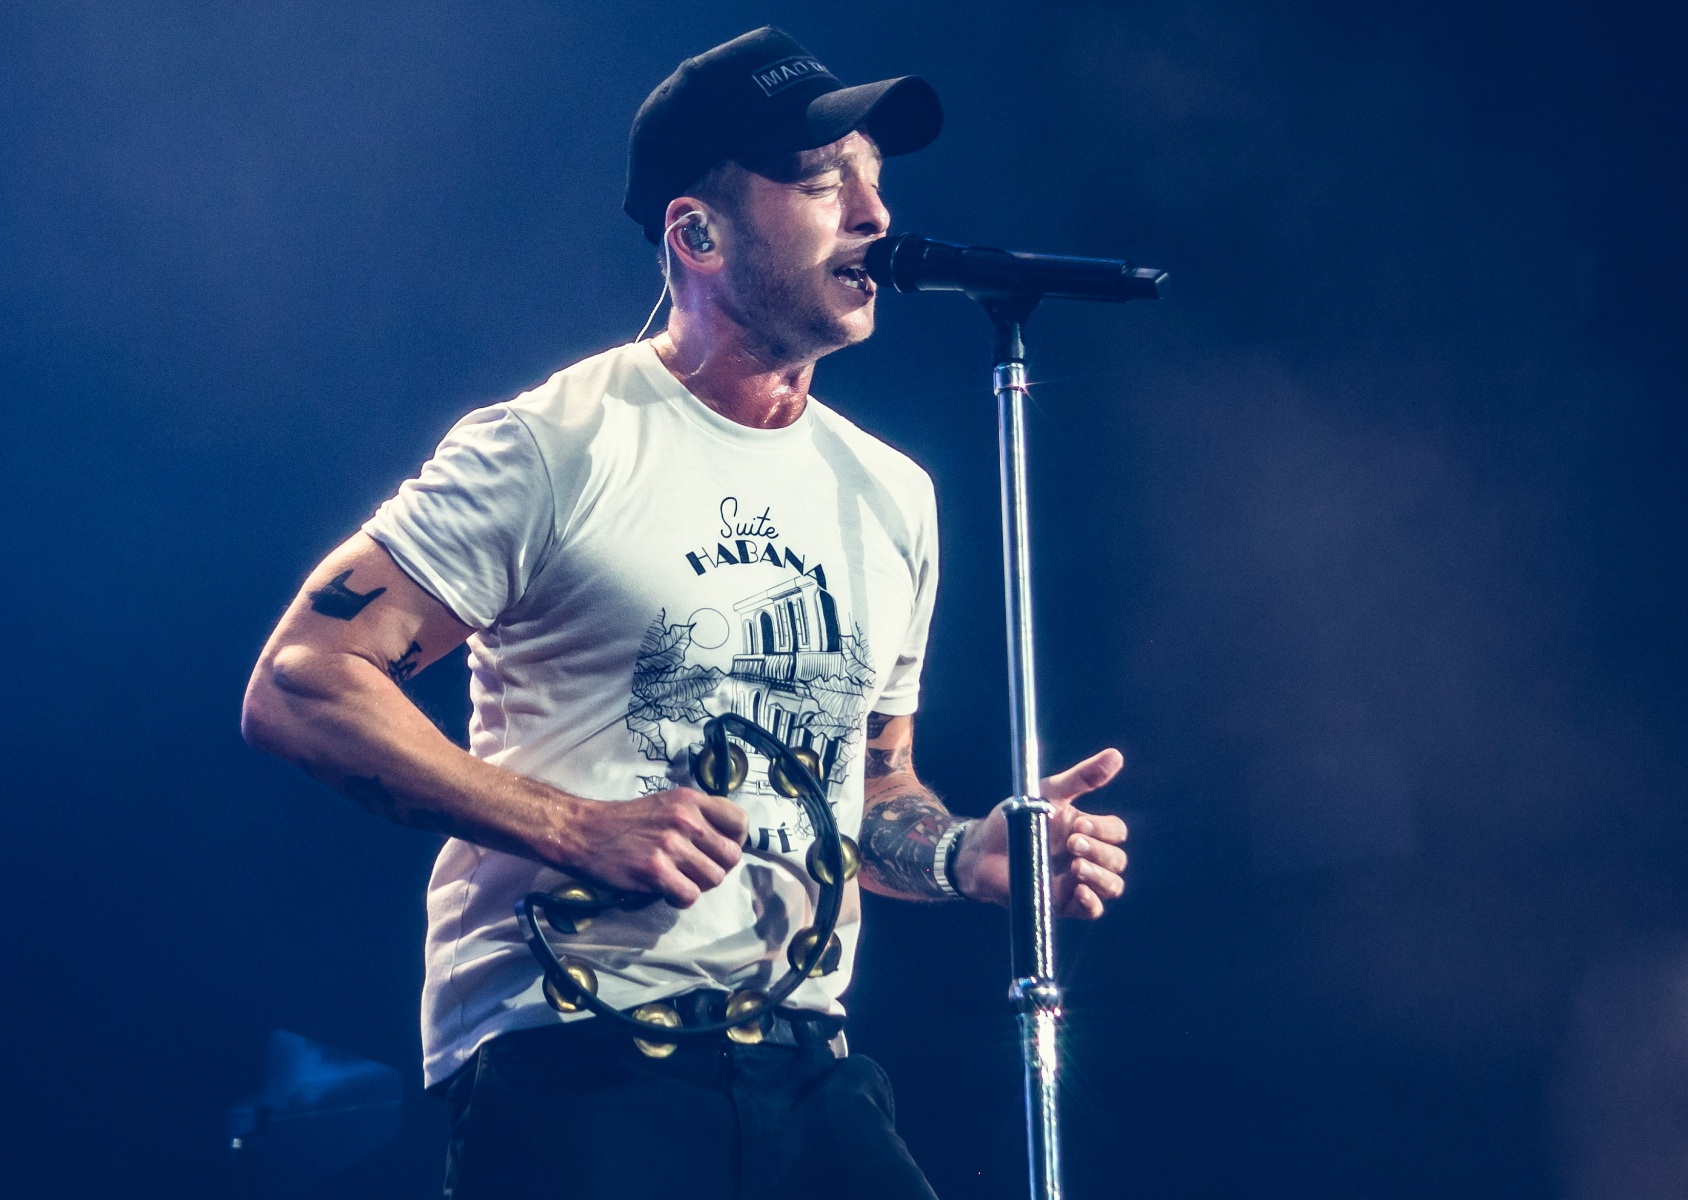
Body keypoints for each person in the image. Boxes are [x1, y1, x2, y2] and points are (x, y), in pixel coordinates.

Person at [241, 26, 1129, 1200]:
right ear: (697, 234)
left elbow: (871, 790)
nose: (873, 214)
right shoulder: (556, 446)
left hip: (810, 1065)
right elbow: (301, 681)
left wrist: (963, 854)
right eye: (822, 183)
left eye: (875, 181)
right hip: (579, 1054)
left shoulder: (891, 494)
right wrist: (575, 828)